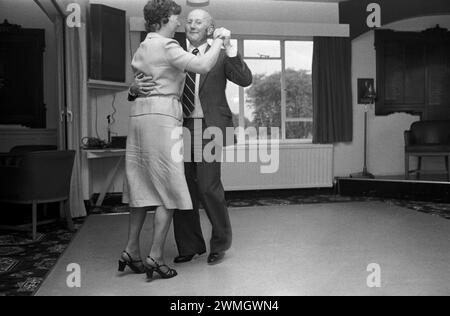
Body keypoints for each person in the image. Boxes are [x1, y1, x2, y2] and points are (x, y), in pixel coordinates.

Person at [130, 9, 252, 266]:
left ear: (210, 29)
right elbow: (147, 81)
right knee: (180, 187)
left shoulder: (218, 53)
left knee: (208, 187)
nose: (192, 24)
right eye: (189, 20)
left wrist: (229, 48)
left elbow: (245, 79)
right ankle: (189, 245)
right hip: (176, 126)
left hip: (211, 127)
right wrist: (132, 89)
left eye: (199, 21)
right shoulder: (172, 50)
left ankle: (220, 243)